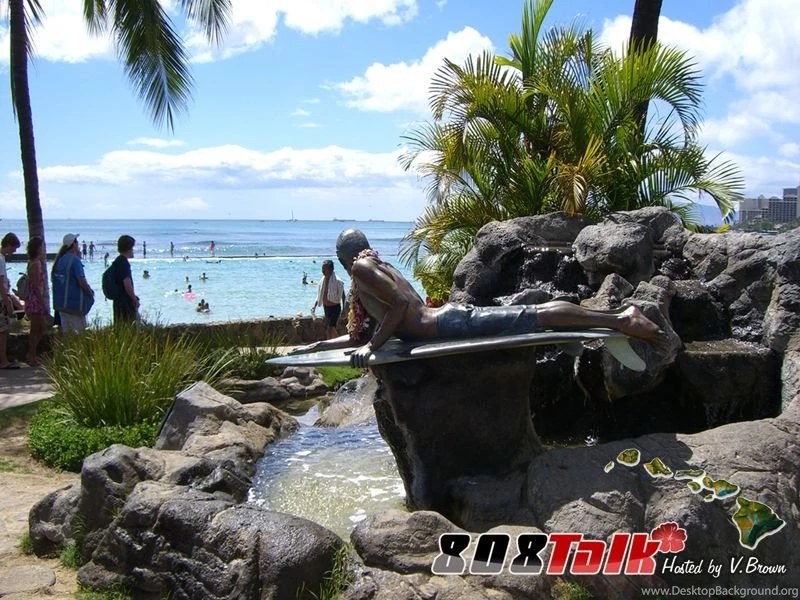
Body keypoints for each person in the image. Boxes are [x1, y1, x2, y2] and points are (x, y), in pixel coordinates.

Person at [293, 229, 663, 367]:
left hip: (446, 325)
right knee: (531, 315)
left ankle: (618, 318)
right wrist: (314, 349)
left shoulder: (360, 270)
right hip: (444, 323)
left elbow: (403, 308)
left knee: (533, 315)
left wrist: (373, 347)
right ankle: (613, 318)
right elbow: (363, 334)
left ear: (344, 256)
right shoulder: (377, 264)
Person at [52, 233, 95, 333]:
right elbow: (81, 280)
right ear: (74, 244)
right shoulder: (74, 260)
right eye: (77, 242)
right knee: (80, 334)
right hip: (74, 304)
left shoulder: (60, 260)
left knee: (67, 335)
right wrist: (90, 294)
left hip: (61, 305)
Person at [0, 233, 23, 369]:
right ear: (8, 245)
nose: (13, 252)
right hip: (1, 299)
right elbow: (1, 283)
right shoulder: (1, 259)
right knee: (3, 331)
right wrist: (8, 303)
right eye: (13, 248)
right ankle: (3, 360)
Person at [25, 237, 48, 366]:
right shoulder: (35, 264)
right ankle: (31, 356)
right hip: (35, 300)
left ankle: (32, 354)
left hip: (36, 299)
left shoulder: (34, 262)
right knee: (35, 330)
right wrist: (42, 302)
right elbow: (36, 286)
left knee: (41, 328)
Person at [311, 259, 346, 340]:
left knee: (331, 328)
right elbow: (319, 295)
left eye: (325, 269)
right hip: (326, 308)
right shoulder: (322, 281)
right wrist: (314, 307)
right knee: (329, 329)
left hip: (335, 308)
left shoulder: (338, 281)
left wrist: (344, 309)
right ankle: (331, 343)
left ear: (331, 270)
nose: (323, 271)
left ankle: (339, 341)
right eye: (322, 269)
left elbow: (343, 295)